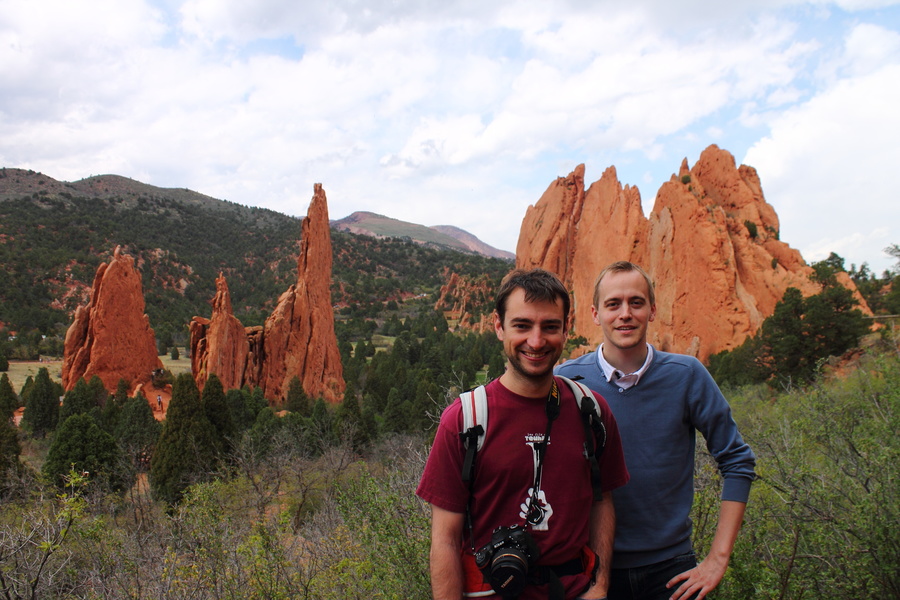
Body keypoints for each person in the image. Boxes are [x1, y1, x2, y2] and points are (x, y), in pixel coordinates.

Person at [417, 268, 630, 600]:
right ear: (499, 327)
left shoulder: (591, 411)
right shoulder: (465, 420)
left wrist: (600, 586)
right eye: (522, 325)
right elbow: (444, 538)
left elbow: (602, 502)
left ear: (566, 329)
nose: (536, 341)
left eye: (549, 327)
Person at [555, 261, 756, 600]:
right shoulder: (566, 380)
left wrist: (717, 560)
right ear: (595, 313)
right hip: (588, 569)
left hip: (671, 571)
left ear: (652, 310)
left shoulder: (687, 375)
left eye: (636, 302)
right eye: (613, 304)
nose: (625, 314)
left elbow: (737, 461)